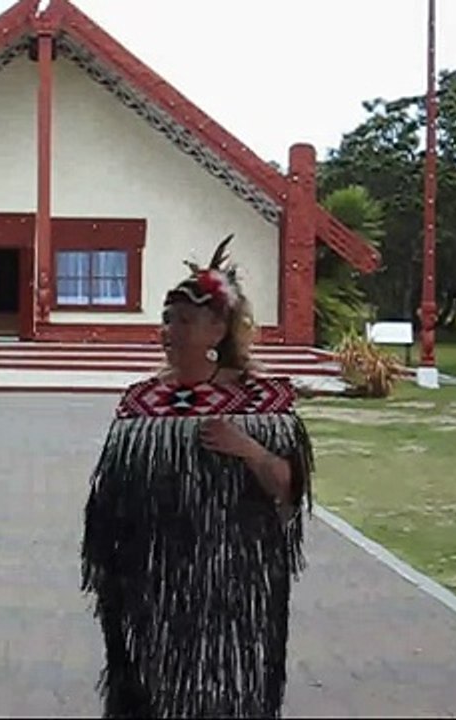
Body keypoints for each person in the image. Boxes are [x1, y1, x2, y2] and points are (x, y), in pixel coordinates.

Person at [80, 235, 315, 719]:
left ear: (218, 329)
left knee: (228, 693)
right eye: (167, 320)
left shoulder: (263, 404)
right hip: (154, 585)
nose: (170, 331)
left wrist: (246, 448)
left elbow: (291, 489)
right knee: (152, 694)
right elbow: (108, 501)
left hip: (235, 583)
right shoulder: (140, 403)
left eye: (184, 320)